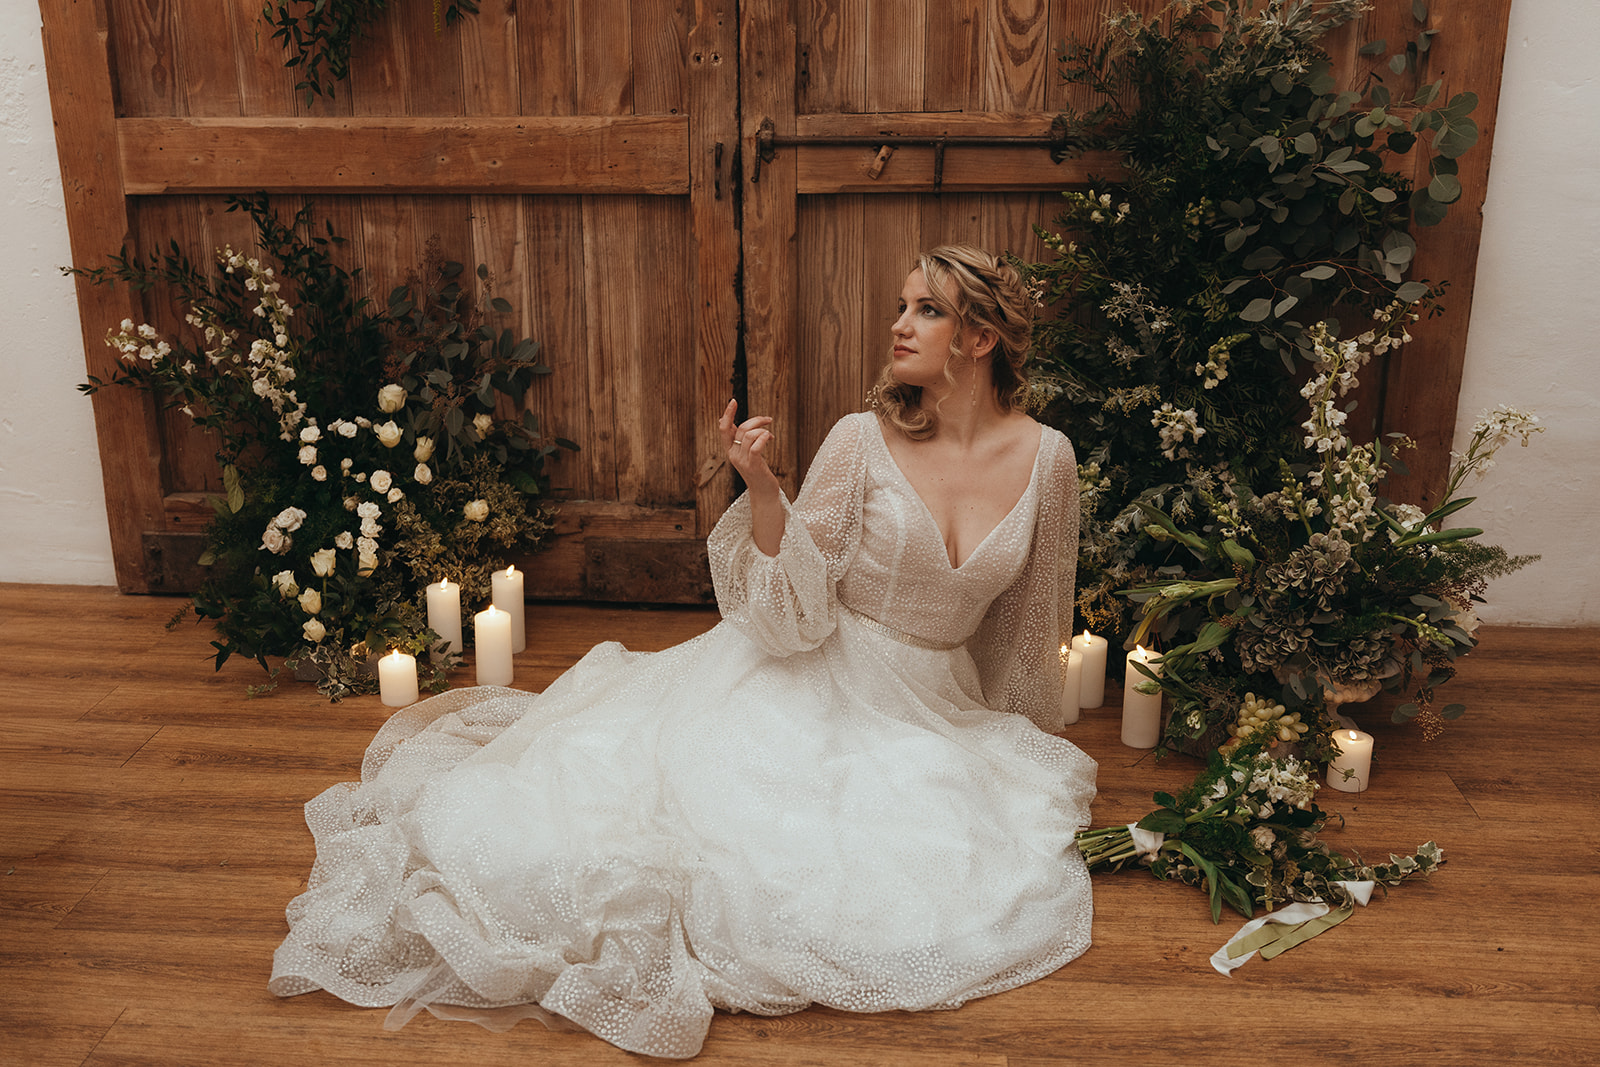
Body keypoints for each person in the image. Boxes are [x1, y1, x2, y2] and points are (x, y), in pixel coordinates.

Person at [269, 244, 1097, 1059]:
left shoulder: (1047, 460)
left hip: (935, 702)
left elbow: (1028, 626)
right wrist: (765, 488)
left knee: (950, 878)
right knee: (722, 861)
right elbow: (790, 616)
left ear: (981, 338)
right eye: (901, 303)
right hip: (821, 676)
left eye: (927, 309)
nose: (898, 324)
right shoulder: (862, 439)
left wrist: (1014, 754)